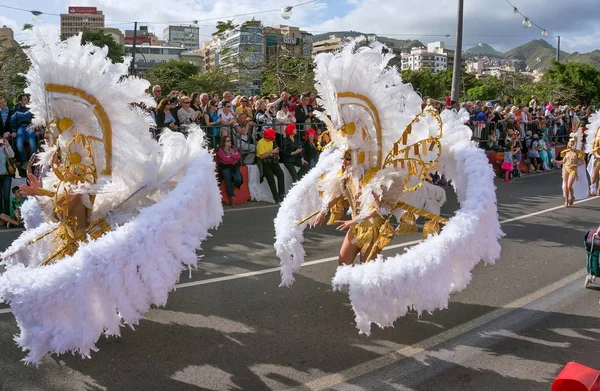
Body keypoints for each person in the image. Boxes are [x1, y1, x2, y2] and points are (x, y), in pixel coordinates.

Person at [552, 136, 585, 207]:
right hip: (566, 169)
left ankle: (572, 197)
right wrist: (555, 161)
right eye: (570, 144)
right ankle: (566, 200)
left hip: (573, 170)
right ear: (568, 144)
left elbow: (582, 162)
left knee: (569, 186)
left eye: (572, 144)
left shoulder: (577, 153)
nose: (571, 145)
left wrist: (575, 164)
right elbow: (563, 162)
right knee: (565, 186)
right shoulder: (566, 152)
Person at [256, 128, 285, 203]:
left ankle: (282, 194)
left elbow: (274, 150)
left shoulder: (272, 141)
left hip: (272, 160)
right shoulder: (260, 143)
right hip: (264, 162)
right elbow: (262, 156)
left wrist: (276, 152)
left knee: (281, 174)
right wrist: (272, 151)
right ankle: (276, 197)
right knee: (271, 179)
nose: (273, 138)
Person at [217, 136, 242, 206]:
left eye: (230, 140)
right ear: (224, 142)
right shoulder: (221, 150)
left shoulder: (233, 148)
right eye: (228, 141)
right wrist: (233, 156)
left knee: (239, 179)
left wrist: (230, 156)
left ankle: (233, 188)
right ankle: (232, 199)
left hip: (234, 166)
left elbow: (238, 156)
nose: (230, 142)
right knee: (228, 183)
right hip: (225, 167)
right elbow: (225, 159)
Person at [10, 93, 35, 164]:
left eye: (27, 99)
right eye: (25, 99)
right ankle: (25, 162)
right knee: (19, 145)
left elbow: (35, 118)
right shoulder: (16, 108)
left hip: (30, 126)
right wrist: (14, 131)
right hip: (20, 127)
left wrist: (36, 129)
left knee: (33, 144)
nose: (27, 100)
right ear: (20, 101)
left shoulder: (31, 107)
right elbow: (13, 120)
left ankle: (32, 162)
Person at [0, 134, 15, 216]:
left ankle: (7, 216)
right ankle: (1, 217)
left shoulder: (4, 147)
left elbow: (12, 155)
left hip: (6, 175)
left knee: (6, 197)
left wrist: (8, 145)